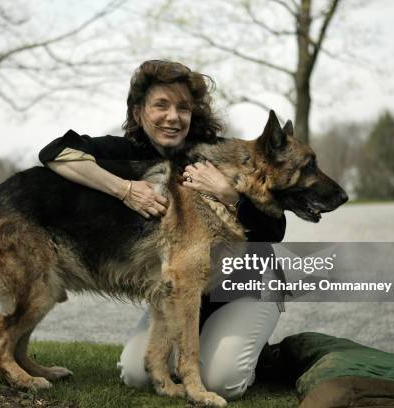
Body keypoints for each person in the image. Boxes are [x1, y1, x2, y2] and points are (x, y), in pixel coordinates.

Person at [38, 60, 286, 400]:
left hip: (245, 286)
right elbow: (54, 152)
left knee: (223, 380)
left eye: (183, 108)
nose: (173, 117)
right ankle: (212, 345)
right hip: (184, 293)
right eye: (161, 105)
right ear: (139, 112)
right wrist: (123, 188)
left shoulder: (218, 153)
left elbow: (275, 228)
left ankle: (265, 353)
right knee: (137, 375)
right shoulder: (125, 154)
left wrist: (230, 195)